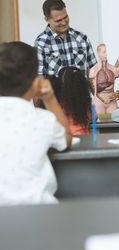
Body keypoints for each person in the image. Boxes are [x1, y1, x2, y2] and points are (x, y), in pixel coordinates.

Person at [0, 41, 71, 205]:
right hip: (38, 212)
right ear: (35, 83)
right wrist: (49, 97)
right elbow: (66, 138)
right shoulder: (42, 120)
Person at [34, 0, 97, 76]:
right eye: (58, 20)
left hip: (81, 88)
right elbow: (39, 77)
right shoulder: (41, 43)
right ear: (47, 19)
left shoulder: (82, 38)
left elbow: (94, 71)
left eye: (65, 17)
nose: (64, 23)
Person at [50, 66, 92, 135]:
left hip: (66, 139)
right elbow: (93, 117)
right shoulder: (86, 103)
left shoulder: (58, 105)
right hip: (84, 139)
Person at [89, 44, 118, 115]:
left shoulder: (114, 69)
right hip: (98, 102)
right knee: (99, 123)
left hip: (112, 102)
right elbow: (92, 87)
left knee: (113, 123)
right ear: (98, 53)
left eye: (107, 52)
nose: (106, 54)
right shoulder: (93, 70)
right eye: (103, 52)